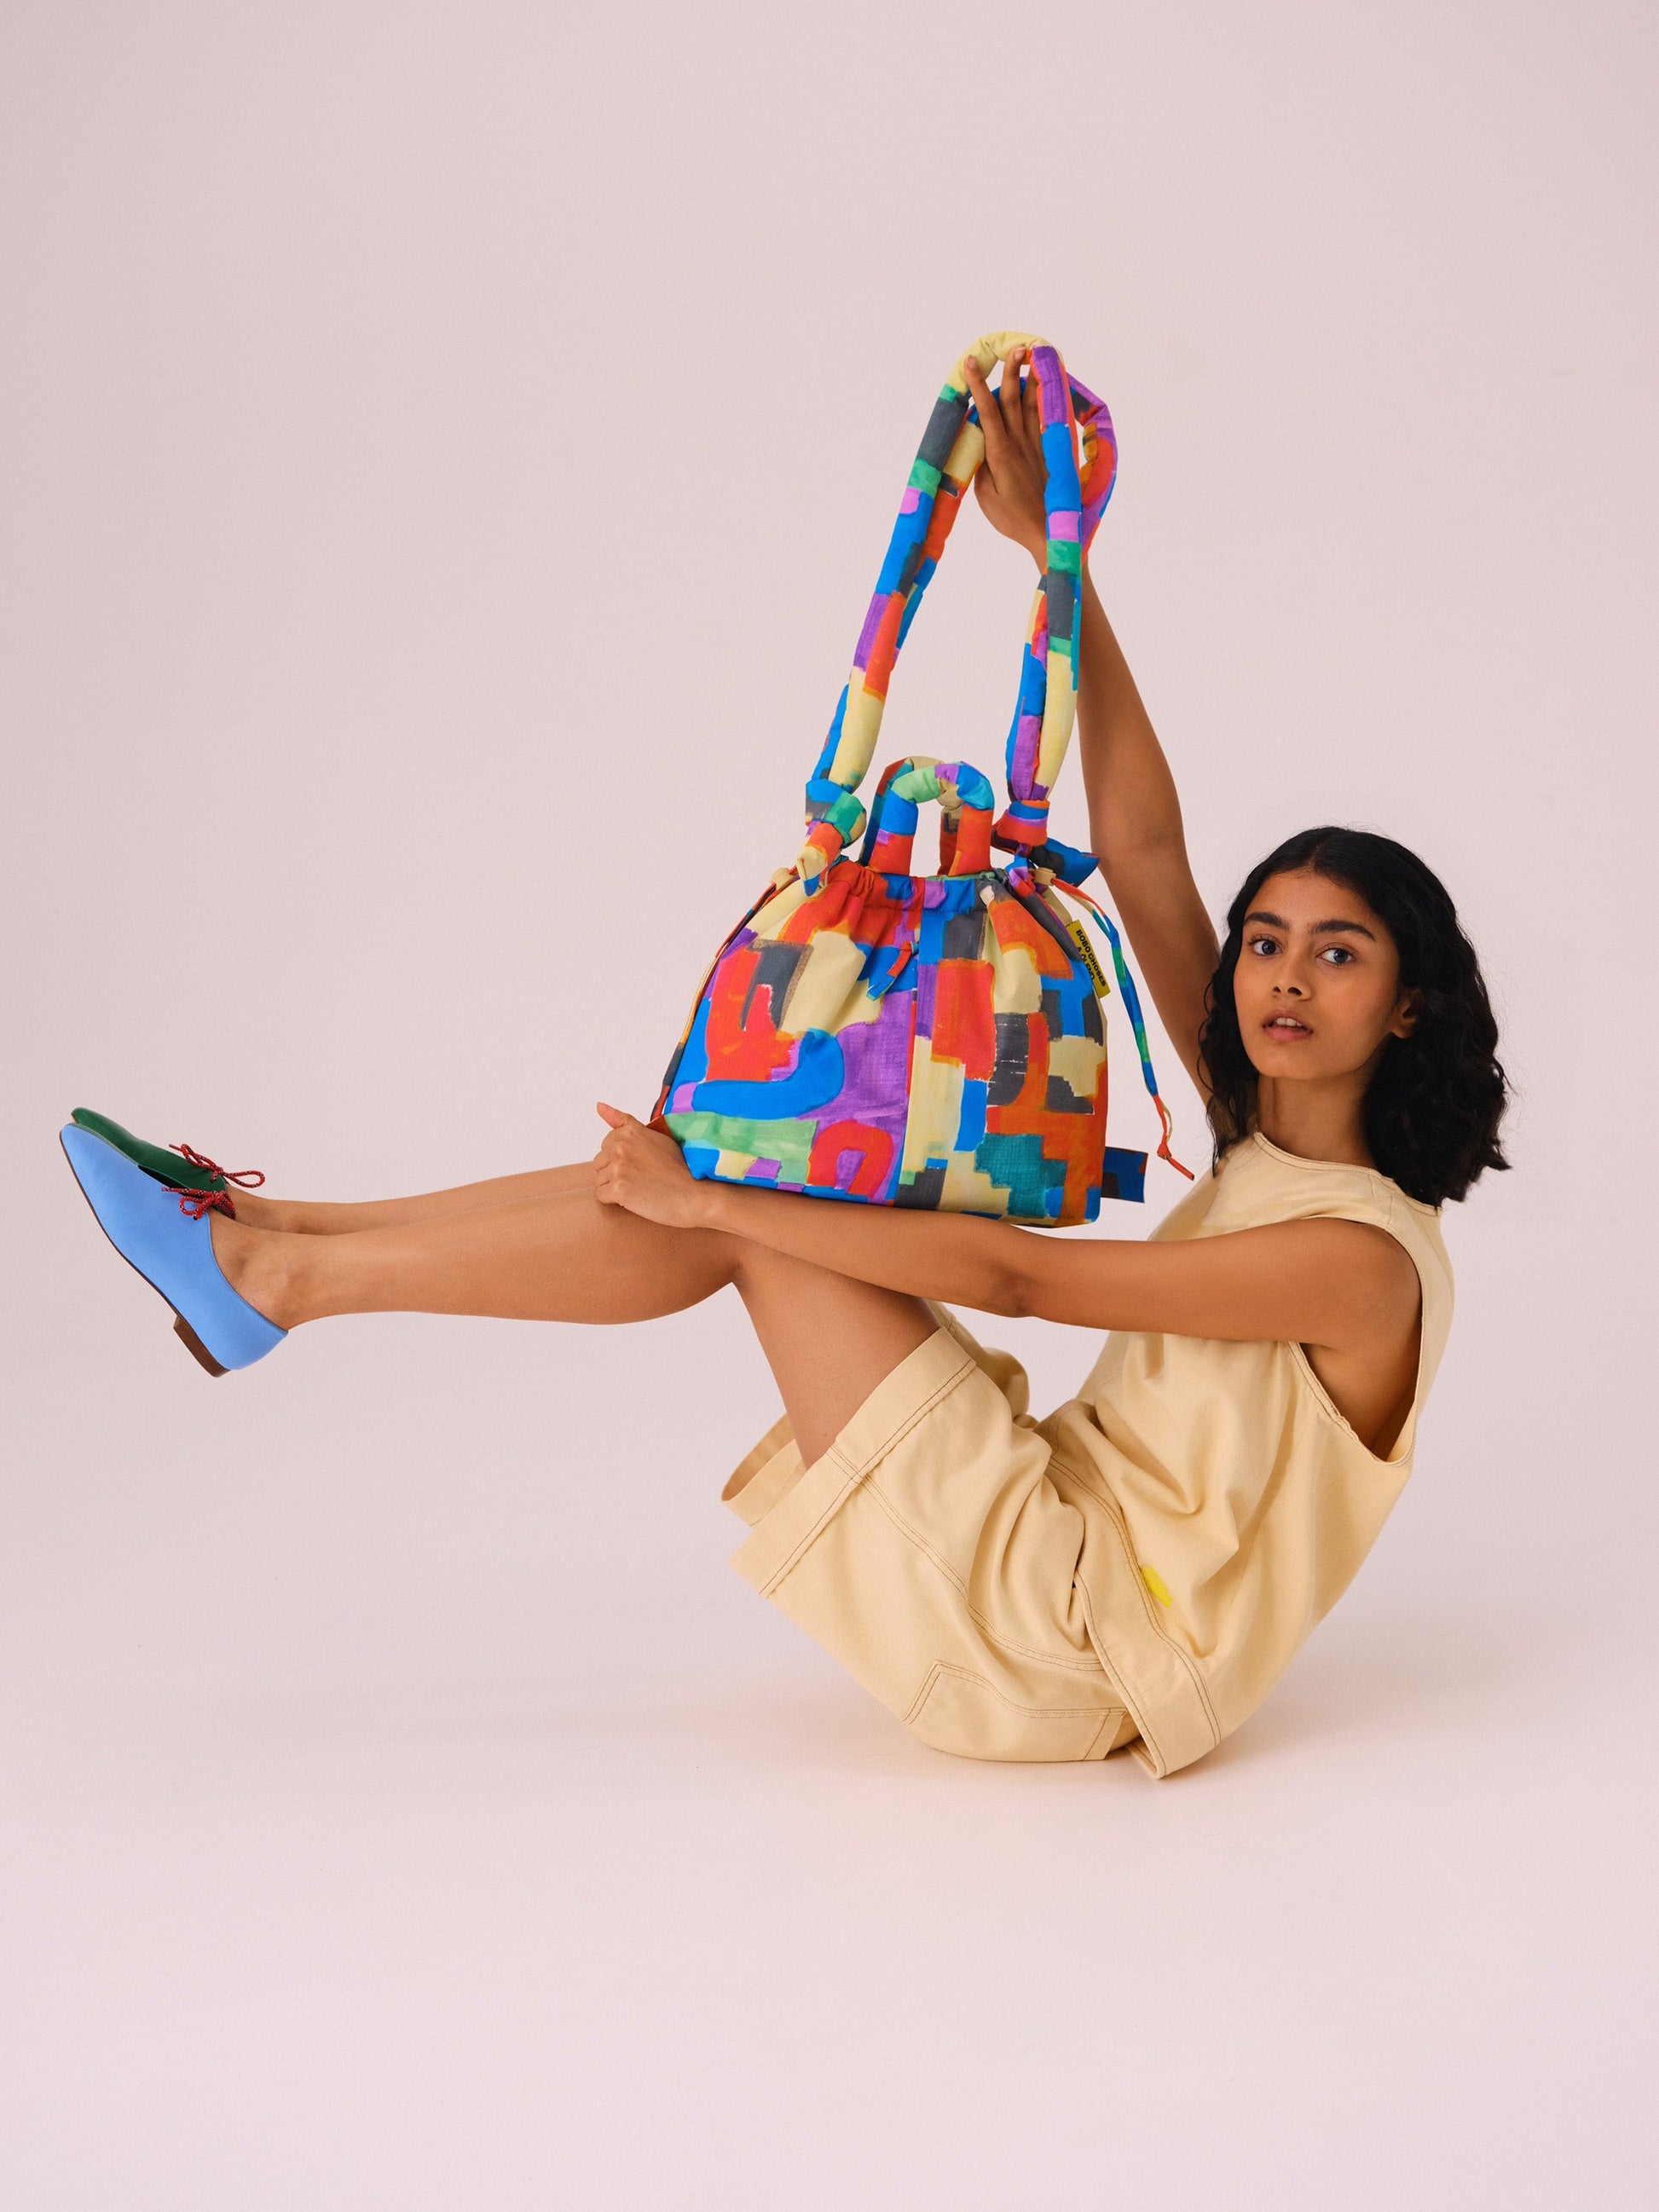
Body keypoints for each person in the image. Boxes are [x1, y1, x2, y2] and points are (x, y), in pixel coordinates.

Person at [61, 349, 1509, 1775]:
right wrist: (1055, 562)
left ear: (1408, 1009)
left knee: (747, 1193)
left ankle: (277, 1278)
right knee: (739, 1174)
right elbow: (1138, 848)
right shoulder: (1256, 1129)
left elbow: (1022, 1279)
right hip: (1050, 1529)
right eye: (1263, 942)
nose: (1281, 977)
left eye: (1336, 954)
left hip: (1071, 1641)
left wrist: (709, 1204)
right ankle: (276, 1237)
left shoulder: (1361, 1264)